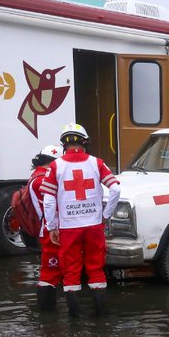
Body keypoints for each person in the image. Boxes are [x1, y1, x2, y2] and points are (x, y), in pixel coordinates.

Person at [41, 124, 121, 317]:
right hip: (94, 225)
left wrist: (51, 226)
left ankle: (74, 319)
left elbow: (49, 201)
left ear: (63, 144)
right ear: (85, 142)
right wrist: (105, 215)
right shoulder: (97, 163)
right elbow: (116, 189)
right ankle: (101, 316)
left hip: (68, 227)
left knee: (70, 271)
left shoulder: (55, 166)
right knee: (96, 269)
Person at [28, 143, 63, 311]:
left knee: (52, 270)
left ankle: (48, 315)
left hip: (48, 228)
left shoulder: (37, 176)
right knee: (50, 271)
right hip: (51, 230)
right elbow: (52, 205)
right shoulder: (42, 180)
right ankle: (47, 314)